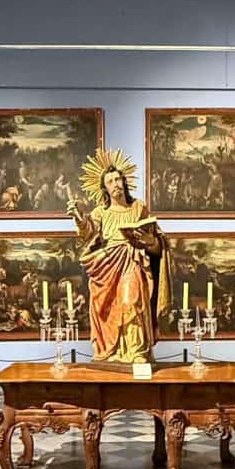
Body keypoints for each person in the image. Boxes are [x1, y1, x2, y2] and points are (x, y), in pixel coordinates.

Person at [67, 147, 171, 364]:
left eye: (118, 179)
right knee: (108, 307)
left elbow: (158, 246)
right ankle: (112, 352)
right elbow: (88, 234)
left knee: (131, 301)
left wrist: (150, 242)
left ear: (124, 182)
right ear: (104, 188)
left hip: (132, 260)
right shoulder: (100, 212)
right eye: (110, 181)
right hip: (106, 266)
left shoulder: (138, 208)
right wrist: (78, 217)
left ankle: (136, 351)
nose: (115, 184)